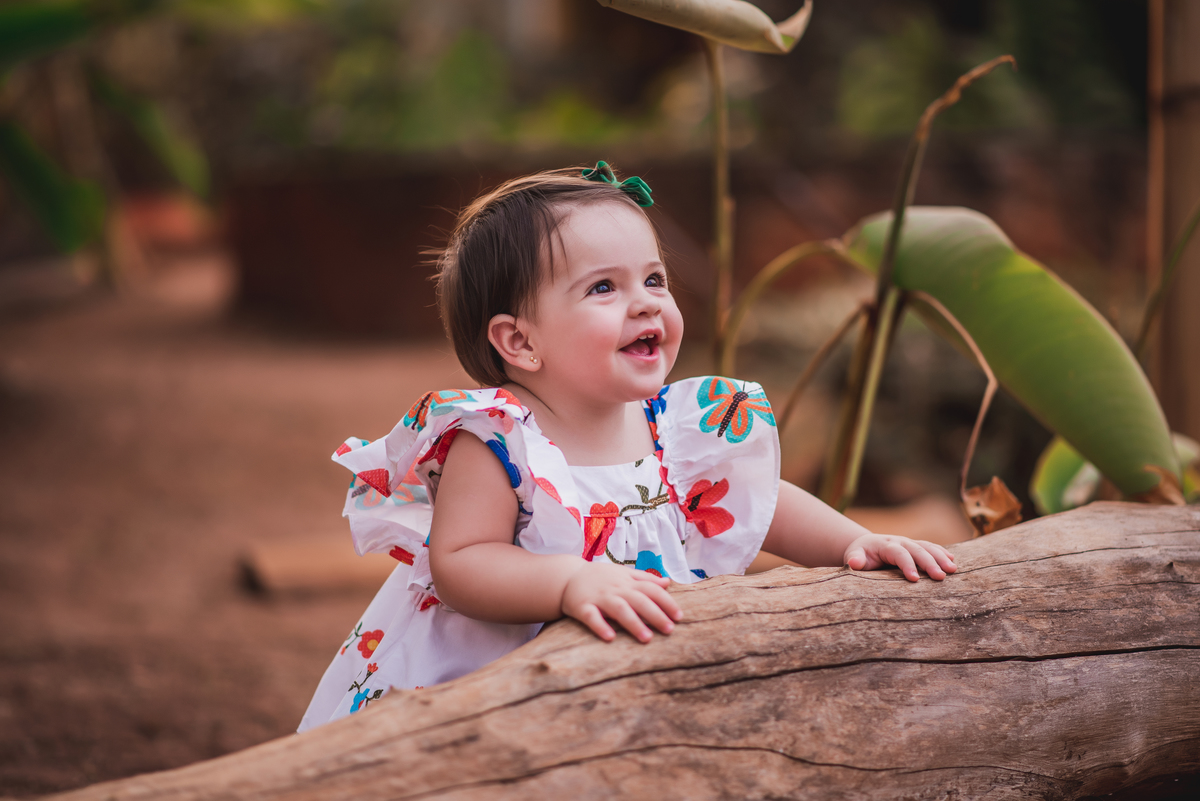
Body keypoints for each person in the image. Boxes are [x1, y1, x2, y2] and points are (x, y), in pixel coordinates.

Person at [297, 163, 956, 732]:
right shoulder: (498, 438)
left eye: (655, 280)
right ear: (520, 341)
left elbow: (763, 501)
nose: (646, 304)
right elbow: (461, 562)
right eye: (604, 287)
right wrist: (569, 581)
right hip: (487, 687)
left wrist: (853, 541)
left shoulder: (674, 426)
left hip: (626, 675)